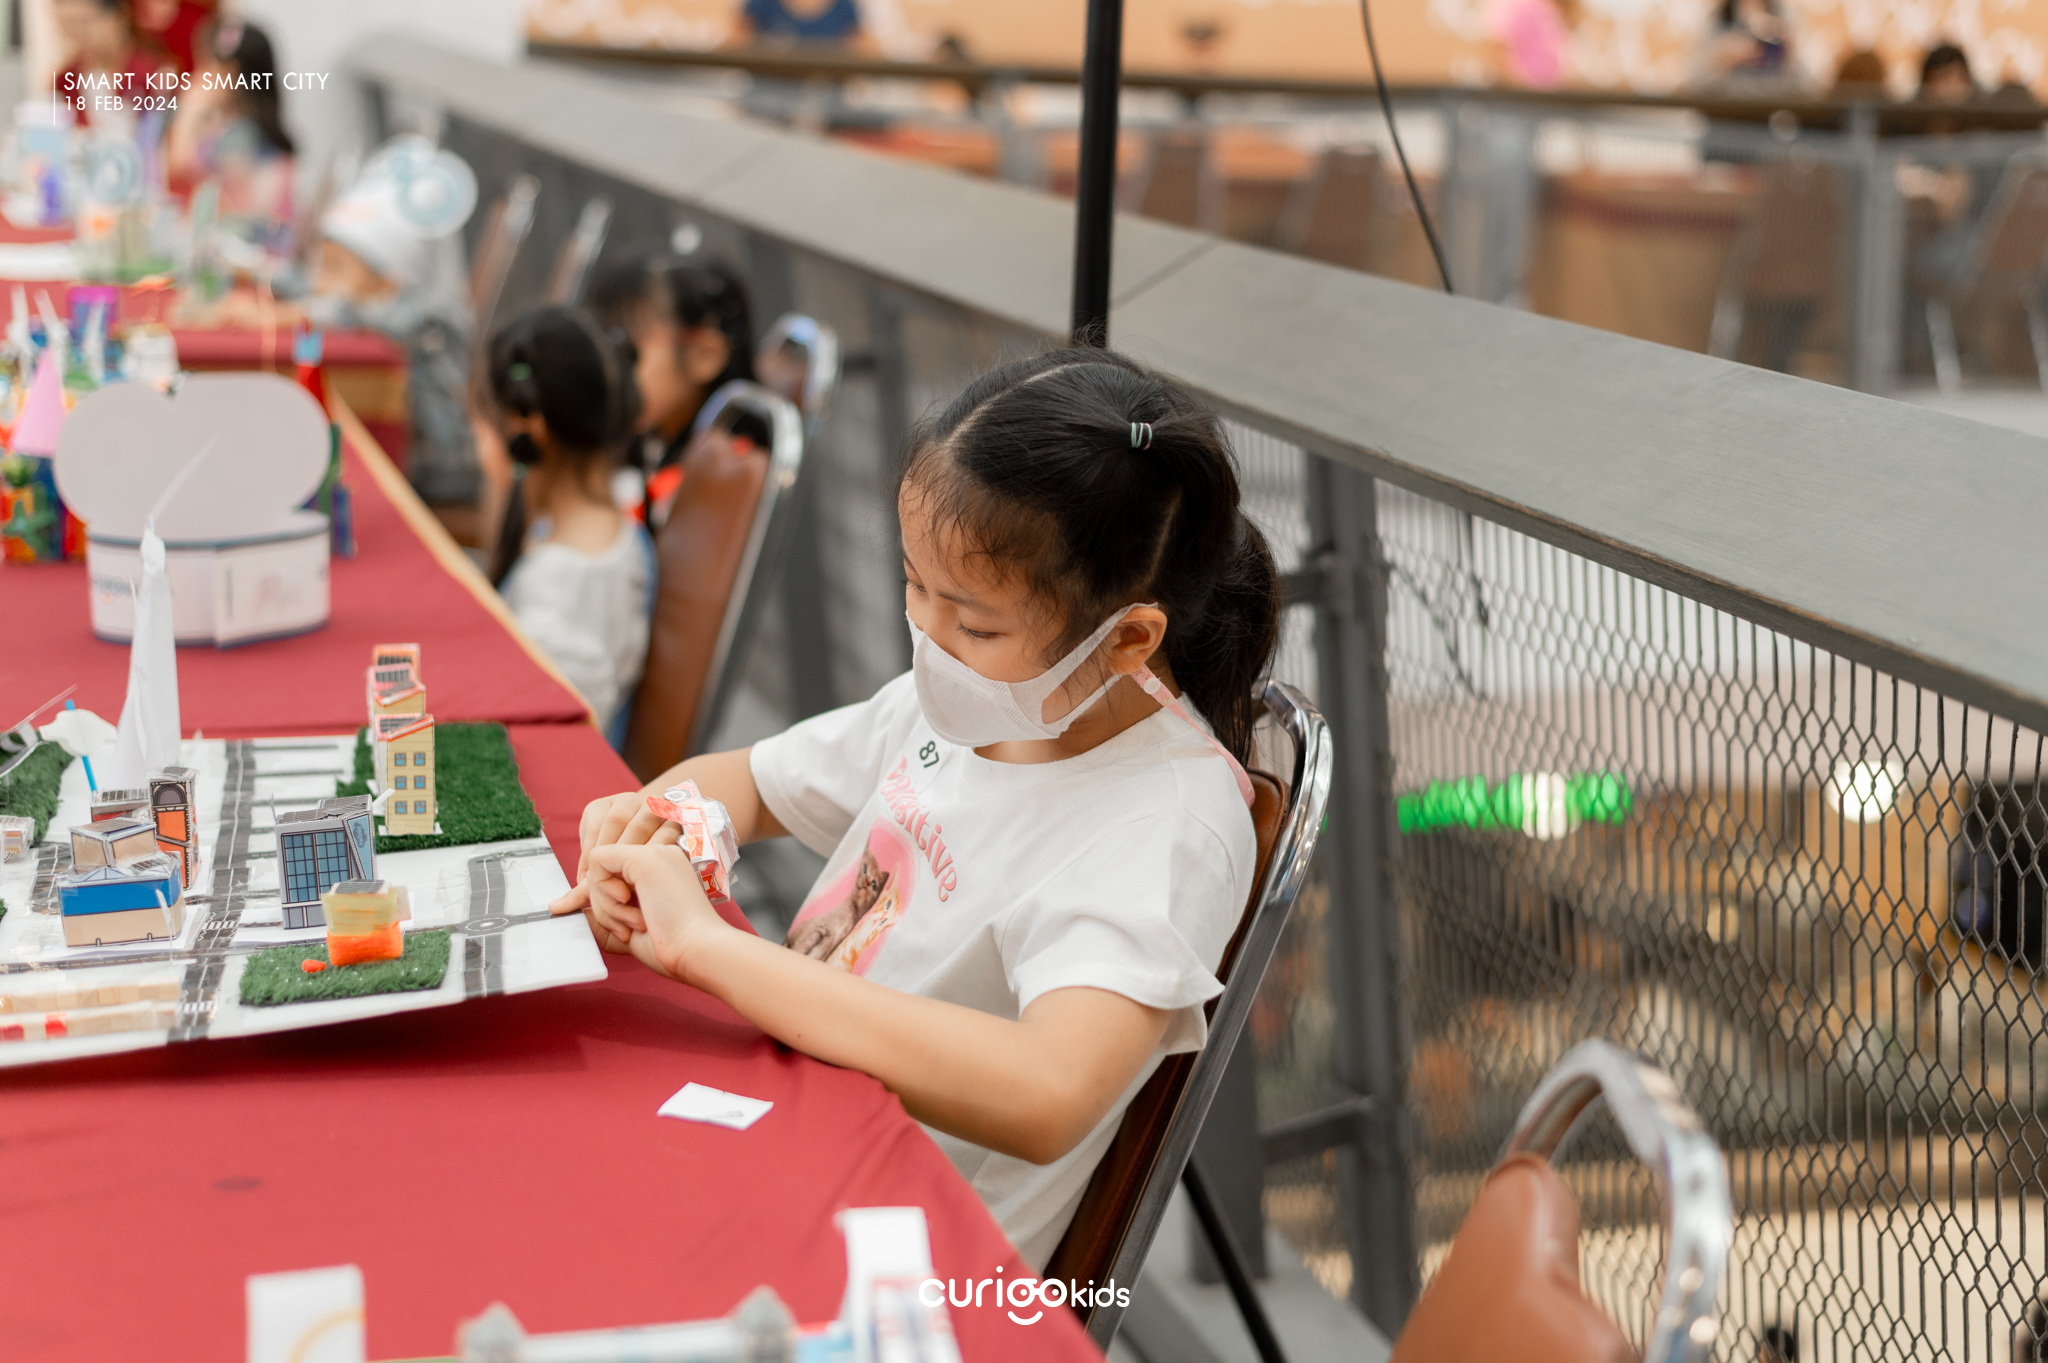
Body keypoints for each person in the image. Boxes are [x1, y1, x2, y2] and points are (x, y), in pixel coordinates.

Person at [549, 348, 1279, 1266]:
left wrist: (709, 948)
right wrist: (661, 818)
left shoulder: (1166, 825)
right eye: (914, 584)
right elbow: (751, 782)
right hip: (786, 1124)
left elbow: (1049, 1091)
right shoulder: (979, 699)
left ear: (1130, 636)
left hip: (899, 1260)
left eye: (974, 622)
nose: (928, 637)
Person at [485, 306, 654, 740]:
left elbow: (549, 743)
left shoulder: (555, 598)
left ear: (525, 425)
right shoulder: (619, 529)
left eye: (481, 427)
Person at [587, 255, 755, 523]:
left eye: (627, 350)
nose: (608, 369)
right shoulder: (652, 440)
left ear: (705, 355)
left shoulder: (724, 468)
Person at [165, 18, 294, 256]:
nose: (198, 76)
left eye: (206, 66)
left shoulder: (242, 137)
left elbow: (178, 164)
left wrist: (190, 108)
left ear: (230, 72)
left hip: (253, 257)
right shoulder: (236, 126)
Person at [52, 0, 173, 130]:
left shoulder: (153, 74)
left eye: (83, 22)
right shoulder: (65, 81)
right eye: (67, 25)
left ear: (117, 18)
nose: (77, 35)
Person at [1695, 0, 1794, 90]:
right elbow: (1697, 84)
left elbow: (1796, 84)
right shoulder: (1720, 19)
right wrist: (1721, 60)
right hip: (1731, 99)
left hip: (1773, 97)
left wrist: (1788, 53)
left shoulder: (1780, 16)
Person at [1487, 0, 1574, 90]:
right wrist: (1522, 88)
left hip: (1550, 89)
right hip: (1528, 90)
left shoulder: (1547, 8)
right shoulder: (1514, 6)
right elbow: (1499, 51)